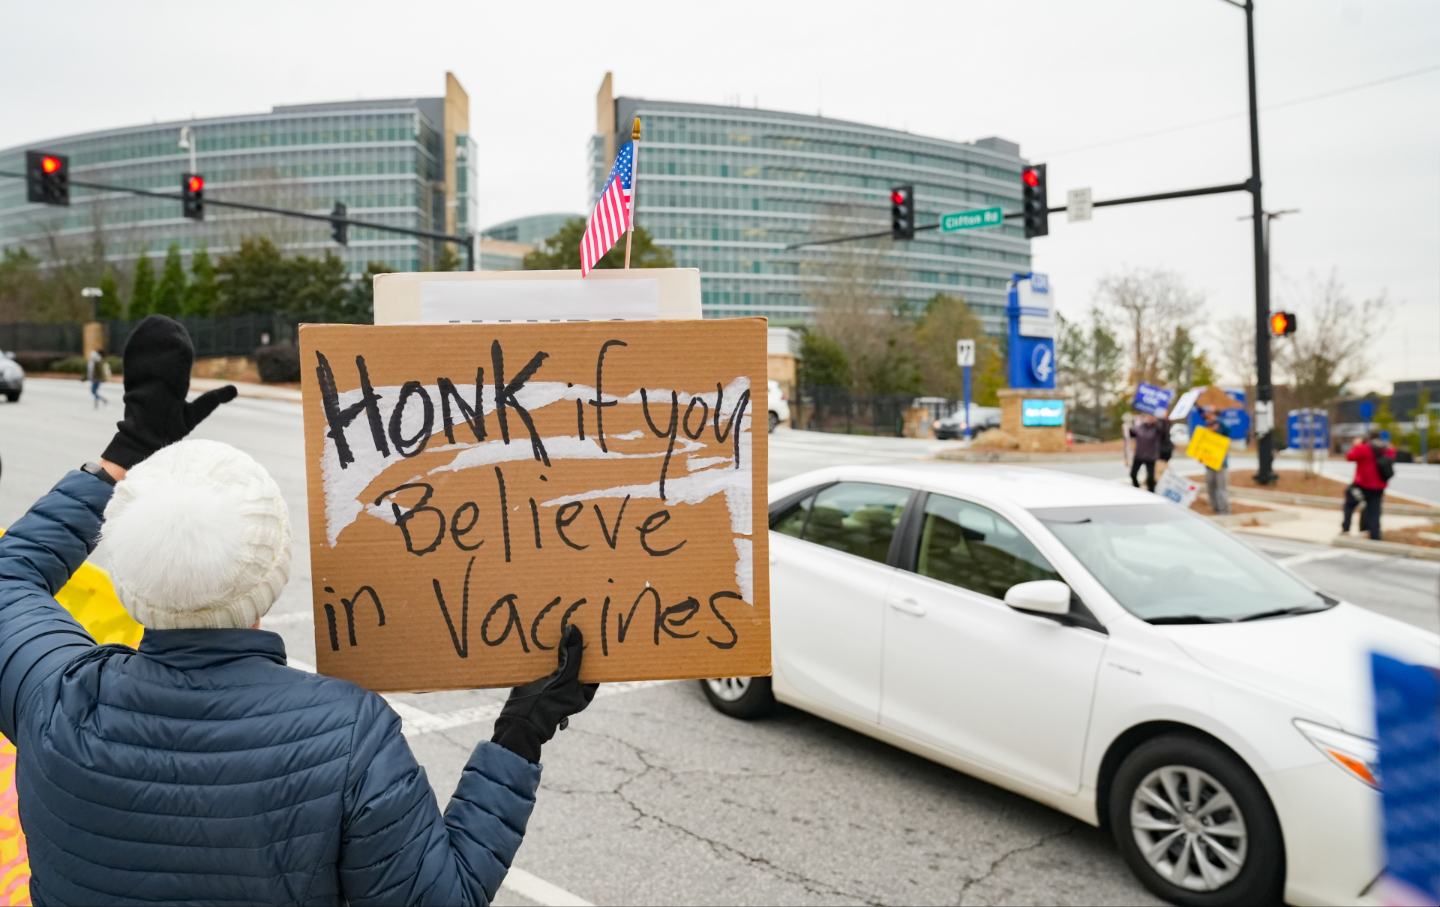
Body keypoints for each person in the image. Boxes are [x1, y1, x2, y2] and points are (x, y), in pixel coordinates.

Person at [0, 315, 597, 905]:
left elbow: (11, 573)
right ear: (273, 572)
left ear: (124, 567)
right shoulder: (347, 733)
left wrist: (124, 454)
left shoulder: (53, 697)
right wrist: (520, 733)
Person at [1342, 430, 1396, 540]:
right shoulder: (1385, 448)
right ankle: (1375, 535)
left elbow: (1349, 456)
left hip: (1362, 485)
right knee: (1374, 511)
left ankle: (1346, 529)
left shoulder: (1363, 448)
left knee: (1349, 504)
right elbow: (1393, 455)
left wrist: (1356, 445)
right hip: (1379, 487)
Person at [1202, 407, 1231, 515]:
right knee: (1211, 487)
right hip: (1209, 463)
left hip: (1220, 464)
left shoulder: (1222, 429)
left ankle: (1224, 509)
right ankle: (1215, 508)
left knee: (1221, 488)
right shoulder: (1207, 429)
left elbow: (1228, 430)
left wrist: (1217, 421)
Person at [1128, 413, 1162, 492]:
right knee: (1133, 474)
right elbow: (1132, 433)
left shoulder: (1157, 428)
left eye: (1151, 417)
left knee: (1150, 477)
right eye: (1148, 417)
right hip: (1139, 455)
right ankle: (1137, 489)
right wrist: (1129, 424)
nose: (1149, 418)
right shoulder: (1140, 427)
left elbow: (1164, 431)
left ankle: (1151, 492)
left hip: (1151, 456)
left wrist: (1157, 422)